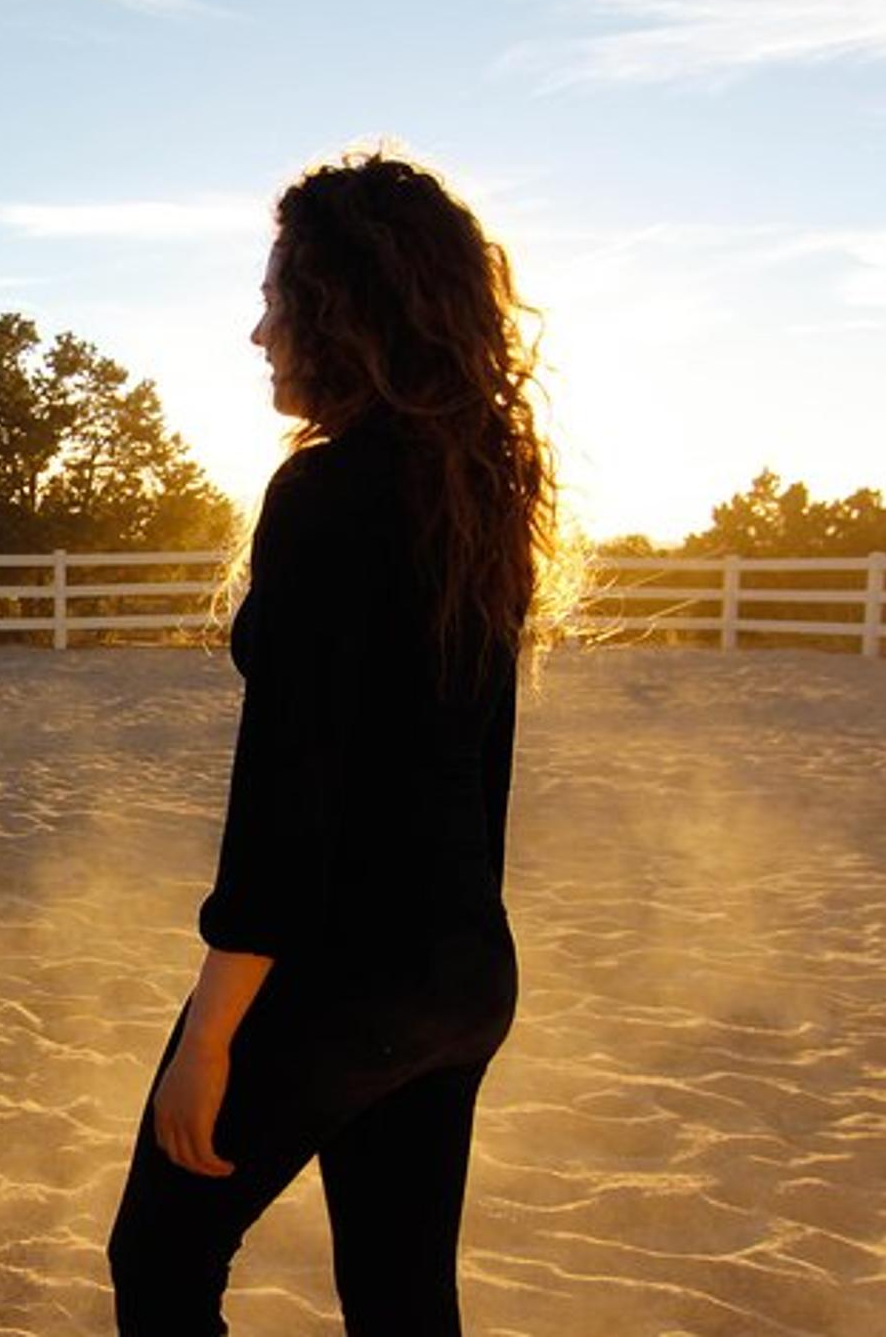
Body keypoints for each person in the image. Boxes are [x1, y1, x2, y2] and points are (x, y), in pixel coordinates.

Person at [105, 151, 560, 1336]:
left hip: (336, 974)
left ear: (339, 311)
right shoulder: (477, 492)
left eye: (276, 299)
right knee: (402, 1300)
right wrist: (457, 961)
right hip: (462, 971)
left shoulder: (323, 495)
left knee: (158, 1262)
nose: (258, 332)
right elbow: (477, 766)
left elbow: (285, 799)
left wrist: (209, 1033)